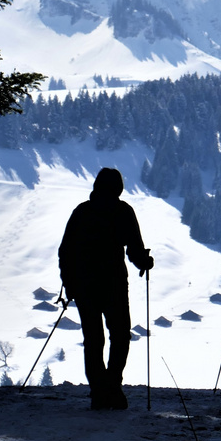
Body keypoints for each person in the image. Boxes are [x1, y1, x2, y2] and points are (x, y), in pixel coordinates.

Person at [58, 167, 154, 410]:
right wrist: (144, 261)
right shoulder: (123, 212)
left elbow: (66, 251)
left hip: (84, 284)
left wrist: (69, 283)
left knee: (93, 339)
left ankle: (99, 390)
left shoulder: (82, 212)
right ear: (118, 188)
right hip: (114, 284)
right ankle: (113, 385)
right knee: (120, 335)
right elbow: (134, 248)